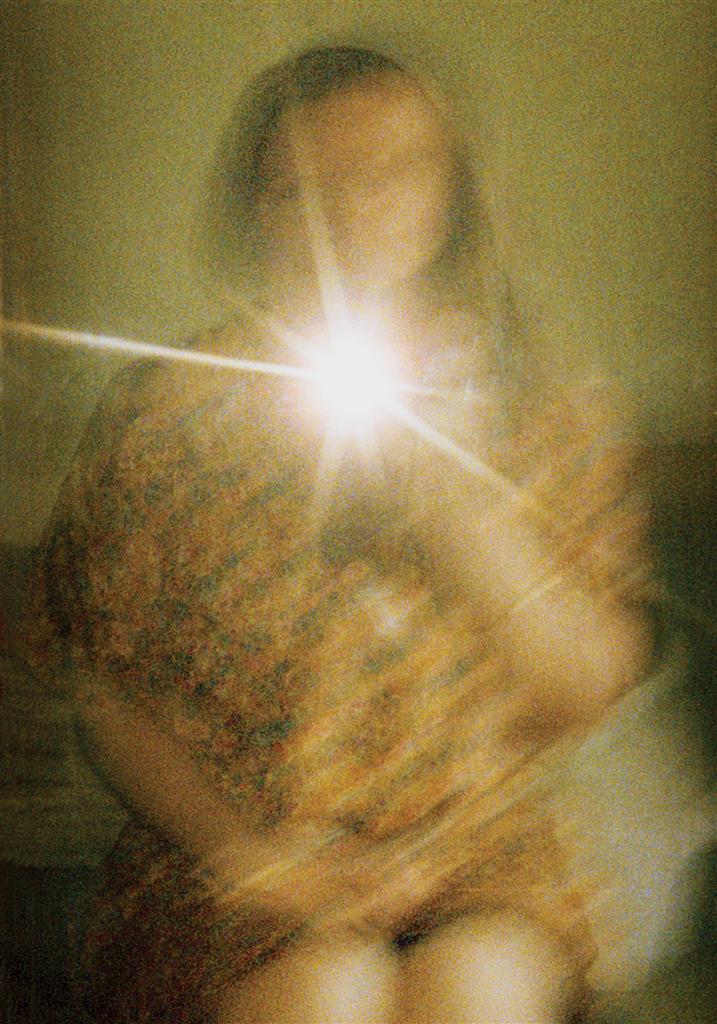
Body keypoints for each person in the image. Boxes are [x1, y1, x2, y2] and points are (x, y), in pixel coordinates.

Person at [21, 45, 653, 1023]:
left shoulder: (542, 408)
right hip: (231, 856)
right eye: (303, 188)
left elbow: (579, 689)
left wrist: (454, 501)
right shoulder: (165, 410)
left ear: (452, 194)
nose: (349, 212)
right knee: (324, 993)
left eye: (391, 171)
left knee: (473, 993)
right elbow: (107, 695)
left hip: (478, 855)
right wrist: (256, 861)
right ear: (256, 211)